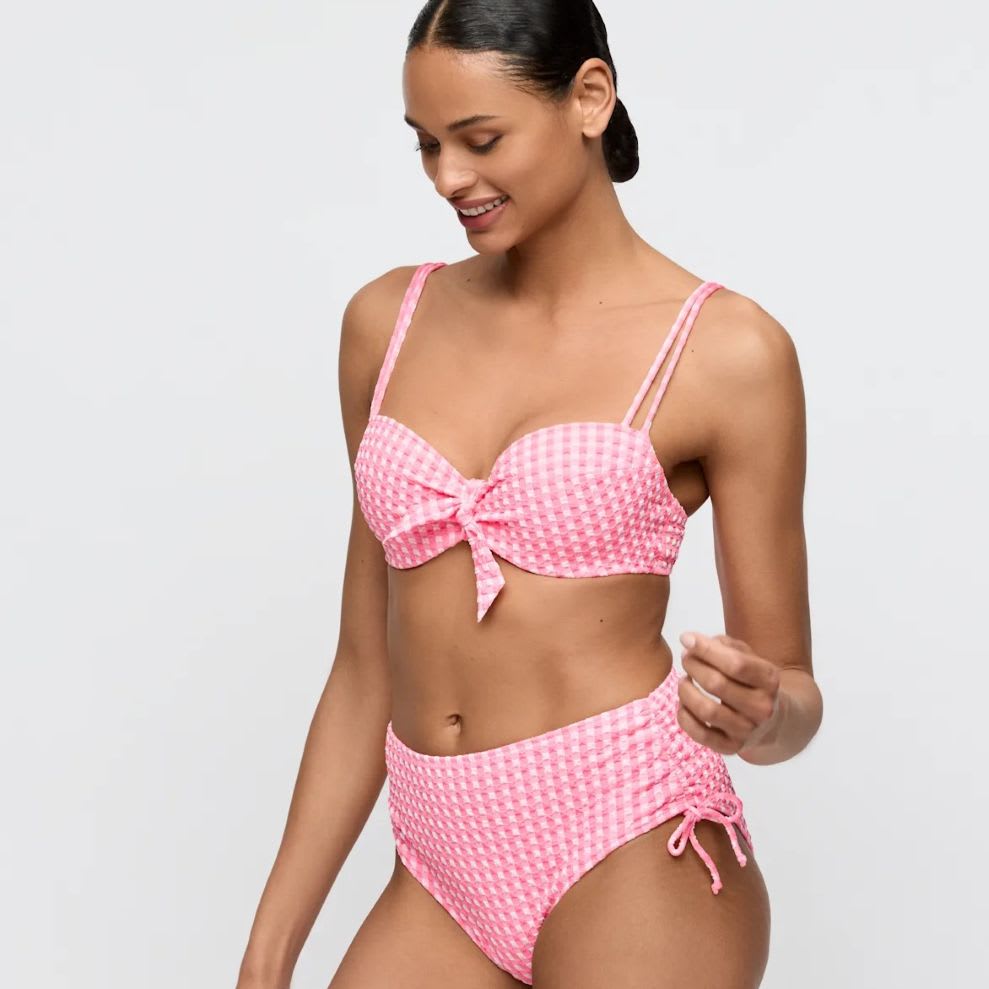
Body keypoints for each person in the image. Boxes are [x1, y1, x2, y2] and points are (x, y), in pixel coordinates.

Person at [237, 2, 823, 987]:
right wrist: (266, 956)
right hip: (438, 860)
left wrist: (762, 717)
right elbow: (363, 665)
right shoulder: (386, 323)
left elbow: (792, 690)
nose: (447, 178)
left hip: (632, 833)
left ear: (589, 98)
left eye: (480, 139)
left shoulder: (727, 352)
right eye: (426, 144)